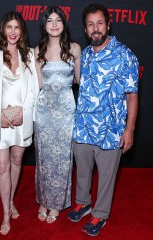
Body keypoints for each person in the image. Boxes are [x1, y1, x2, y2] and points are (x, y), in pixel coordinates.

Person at [67, 3, 139, 237]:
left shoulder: (125, 54)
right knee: (83, 170)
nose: (95, 28)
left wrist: (129, 130)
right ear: (86, 29)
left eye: (100, 23)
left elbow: (132, 96)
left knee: (107, 176)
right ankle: (83, 202)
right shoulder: (84, 56)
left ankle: (100, 214)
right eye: (90, 24)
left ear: (108, 25)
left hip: (111, 128)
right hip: (84, 126)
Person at [0, 11, 39, 235]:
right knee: (2, 166)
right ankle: (5, 212)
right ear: (3, 29)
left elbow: (34, 90)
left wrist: (25, 112)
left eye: (17, 28)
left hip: (21, 118)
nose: (13, 32)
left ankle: (11, 200)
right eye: (9, 27)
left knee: (16, 160)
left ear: (22, 31)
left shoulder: (30, 55)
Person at [34, 6, 81, 223]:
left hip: (65, 113)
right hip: (44, 113)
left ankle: (56, 204)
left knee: (63, 160)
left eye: (58, 20)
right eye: (50, 20)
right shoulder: (37, 51)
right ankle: (44, 200)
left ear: (64, 23)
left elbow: (79, 81)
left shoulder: (74, 49)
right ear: (44, 25)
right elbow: (39, 85)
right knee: (43, 158)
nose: (54, 24)